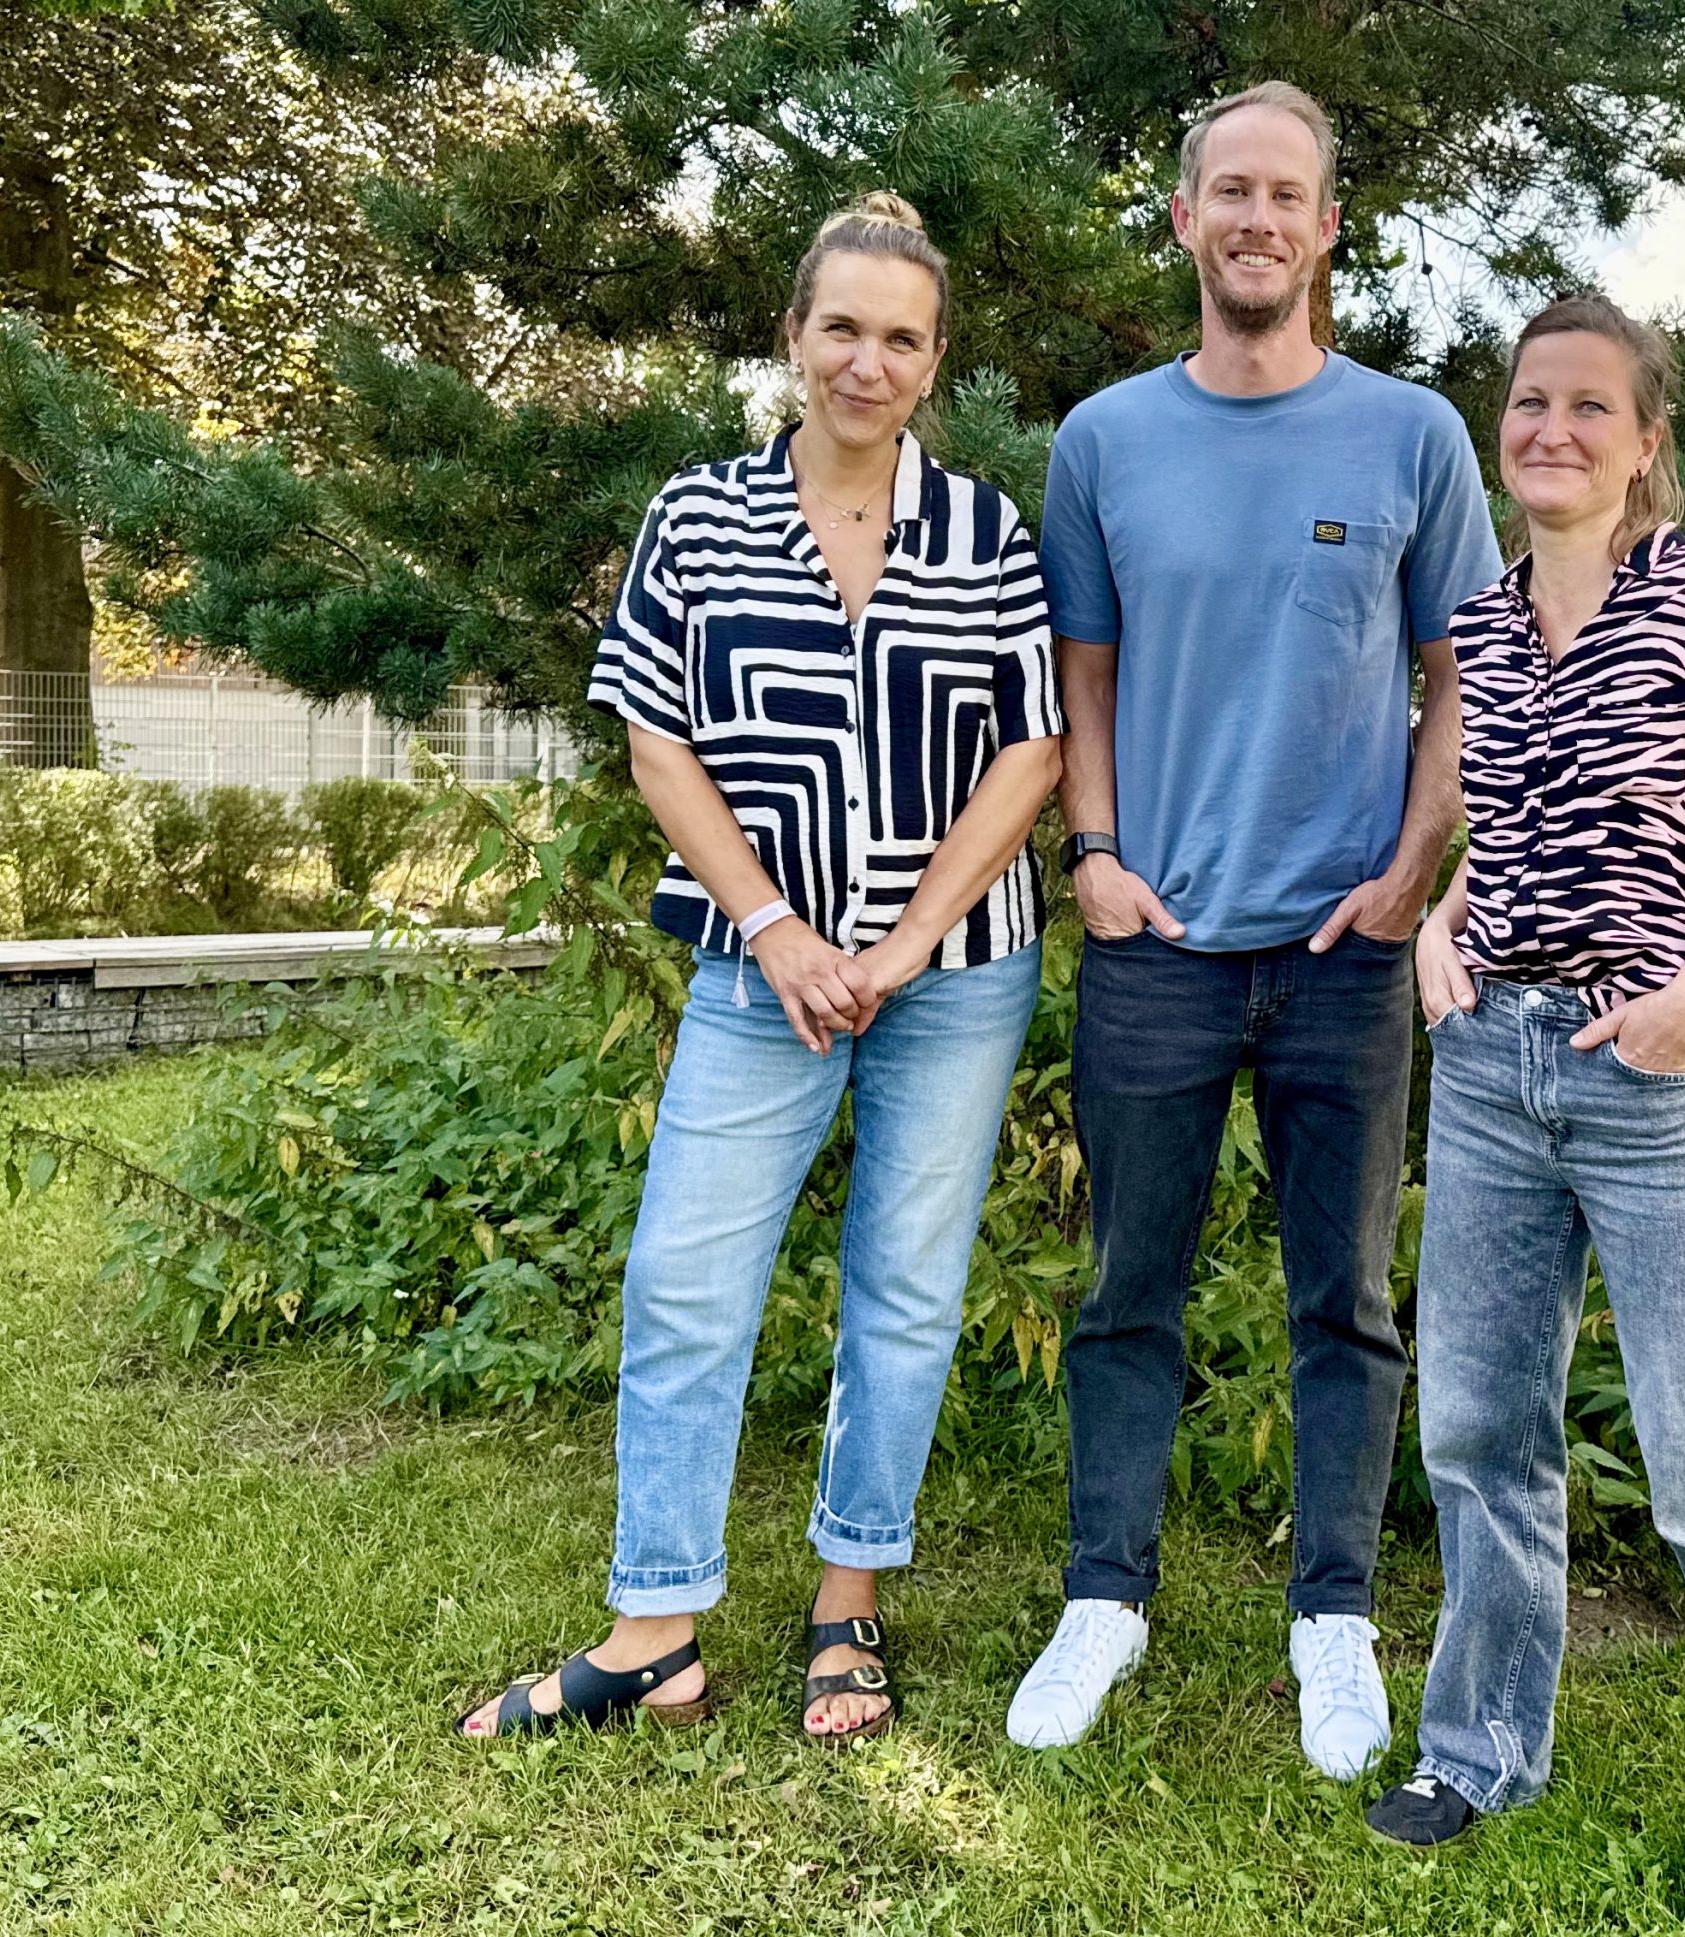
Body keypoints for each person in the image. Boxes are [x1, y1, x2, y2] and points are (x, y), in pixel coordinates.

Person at [456, 193, 1065, 1748]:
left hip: (953, 975)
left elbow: (1033, 749)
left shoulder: (987, 531)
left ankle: (848, 1601)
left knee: (905, 1288)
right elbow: (655, 739)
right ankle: (654, 1628)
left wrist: (905, 943)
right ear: (794, 335)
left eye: (902, 338)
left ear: (935, 361)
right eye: (842, 327)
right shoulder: (701, 515)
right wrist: (781, 930)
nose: (869, 361)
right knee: (684, 1279)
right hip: (757, 972)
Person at [1006, 82, 1502, 1778]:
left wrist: (1415, 868)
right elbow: (1083, 673)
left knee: (1344, 1302)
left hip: (1345, 953)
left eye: (1288, 194)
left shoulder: (1413, 436)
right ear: (1185, 219)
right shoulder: (1104, 441)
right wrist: (1093, 853)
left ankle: (1333, 1619)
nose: (1258, 218)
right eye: (1232, 190)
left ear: (1327, 227)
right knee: (1124, 1290)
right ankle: (1104, 1598)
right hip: (1155, 938)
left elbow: (1464, 674)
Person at [1361, 294, 1685, 1927]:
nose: (1550, 428)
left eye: (1587, 406)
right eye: (1528, 401)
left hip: (1655, 1078)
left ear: (1646, 442)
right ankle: (1480, 1748)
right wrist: (1441, 925)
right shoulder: (1486, 624)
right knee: (1482, 1431)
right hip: (1493, 1070)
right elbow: (1506, 822)